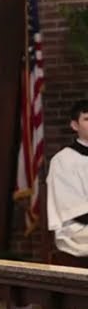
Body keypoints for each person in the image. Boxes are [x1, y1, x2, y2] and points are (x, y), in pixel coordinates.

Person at [47, 100, 88, 255]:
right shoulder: (63, 160)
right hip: (76, 231)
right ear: (74, 125)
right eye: (87, 119)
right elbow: (75, 211)